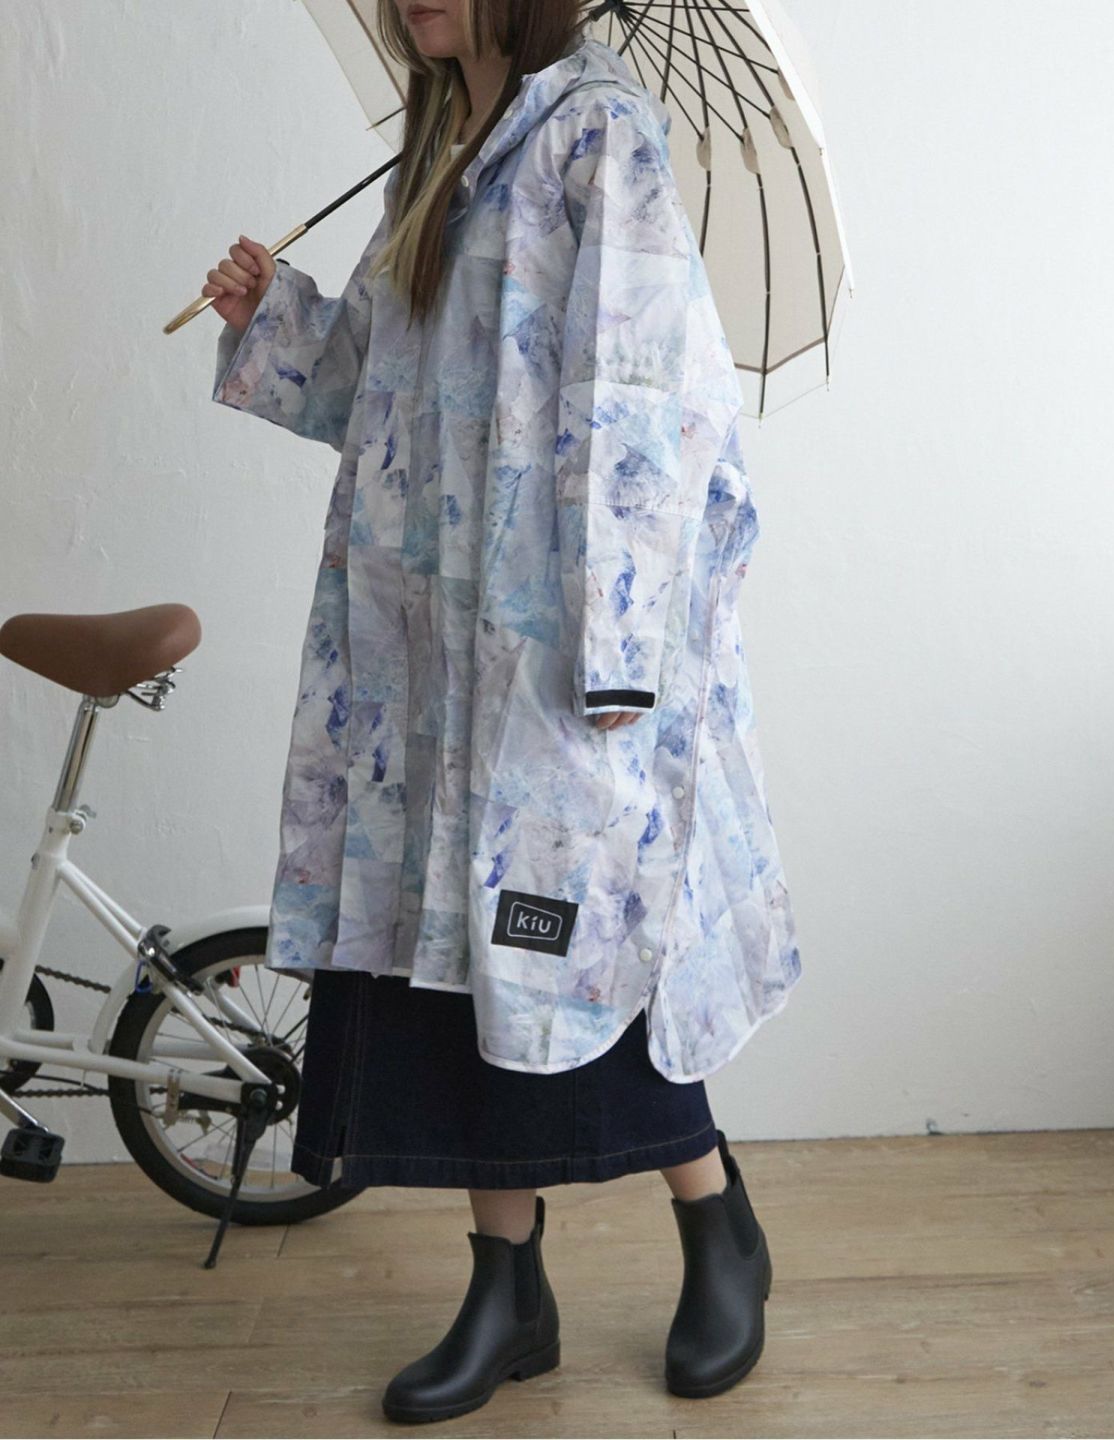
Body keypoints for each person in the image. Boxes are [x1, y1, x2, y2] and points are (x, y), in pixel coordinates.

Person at [205, 0, 798, 1423]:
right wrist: (273, 314)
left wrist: (615, 652)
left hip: (554, 656)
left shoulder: (600, 137)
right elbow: (377, 385)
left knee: (587, 958)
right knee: (456, 977)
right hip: (421, 658)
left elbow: (642, 402)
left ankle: (718, 1225)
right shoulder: (438, 150)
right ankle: (506, 1288)